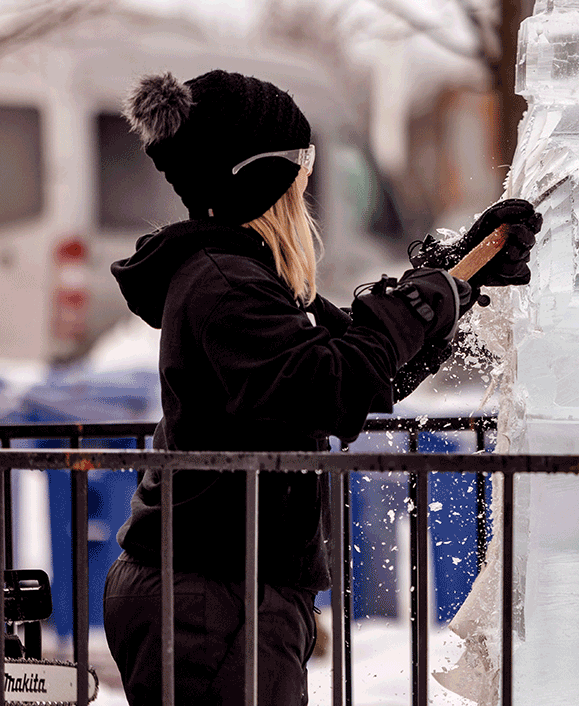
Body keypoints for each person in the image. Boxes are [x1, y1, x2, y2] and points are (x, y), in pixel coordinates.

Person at [101, 69, 541, 705]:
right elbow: (334, 383)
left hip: (226, 593)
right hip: (212, 598)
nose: (306, 191)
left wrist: (457, 280)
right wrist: (426, 302)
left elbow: (367, 363)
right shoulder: (223, 285)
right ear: (257, 177)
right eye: (300, 170)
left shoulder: (246, 279)